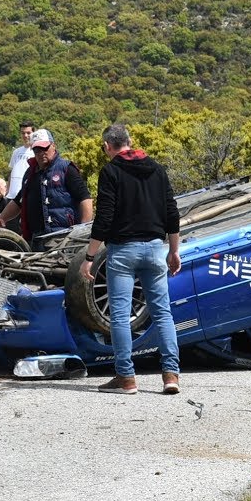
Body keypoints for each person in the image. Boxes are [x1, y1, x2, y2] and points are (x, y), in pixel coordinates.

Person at [79, 124, 181, 395]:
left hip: (123, 251)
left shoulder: (110, 171)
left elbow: (105, 217)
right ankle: (171, 375)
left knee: (121, 317)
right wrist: (174, 250)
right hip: (155, 249)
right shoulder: (157, 169)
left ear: (107, 147)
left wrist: (89, 256)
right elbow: (172, 212)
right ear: (130, 141)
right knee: (162, 313)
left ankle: (126, 378)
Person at [0, 128, 93, 243]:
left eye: (45, 148)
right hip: (36, 237)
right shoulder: (30, 173)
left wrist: (82, 231)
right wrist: (2, 217)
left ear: (53, 146)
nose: (41, 153)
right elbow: (19, 200)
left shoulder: (66, 169)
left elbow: (85, 199)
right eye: (37, 150)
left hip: (64, 237)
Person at [4, 120, 35, 233]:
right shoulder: (16, 152)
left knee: (26, 228)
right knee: (11, 229)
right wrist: (7, 191)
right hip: (12, 196)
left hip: (26, 196)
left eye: (28, 132)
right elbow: (11, 172)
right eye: (23, 133)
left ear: (33, 133)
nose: (25, 135)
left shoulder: (35, 152)